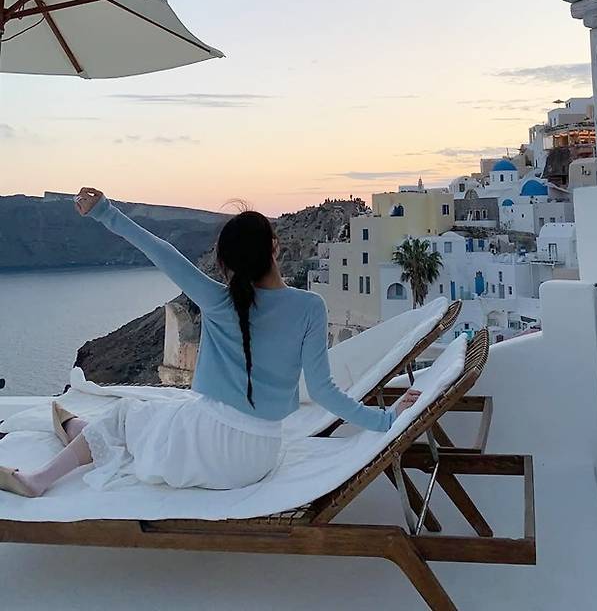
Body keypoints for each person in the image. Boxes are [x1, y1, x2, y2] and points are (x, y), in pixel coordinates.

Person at [0, 188, 420, 498]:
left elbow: (160, 252)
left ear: (226, 262)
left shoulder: (218, 301)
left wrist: (104, 212)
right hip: (257, 457)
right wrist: (385, 419)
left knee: (125, 415)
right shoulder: (310, 307)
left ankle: (38, 479)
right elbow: (325, 391)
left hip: (206, 444)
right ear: (275, 248)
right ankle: (78, 429)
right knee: (142, 423)